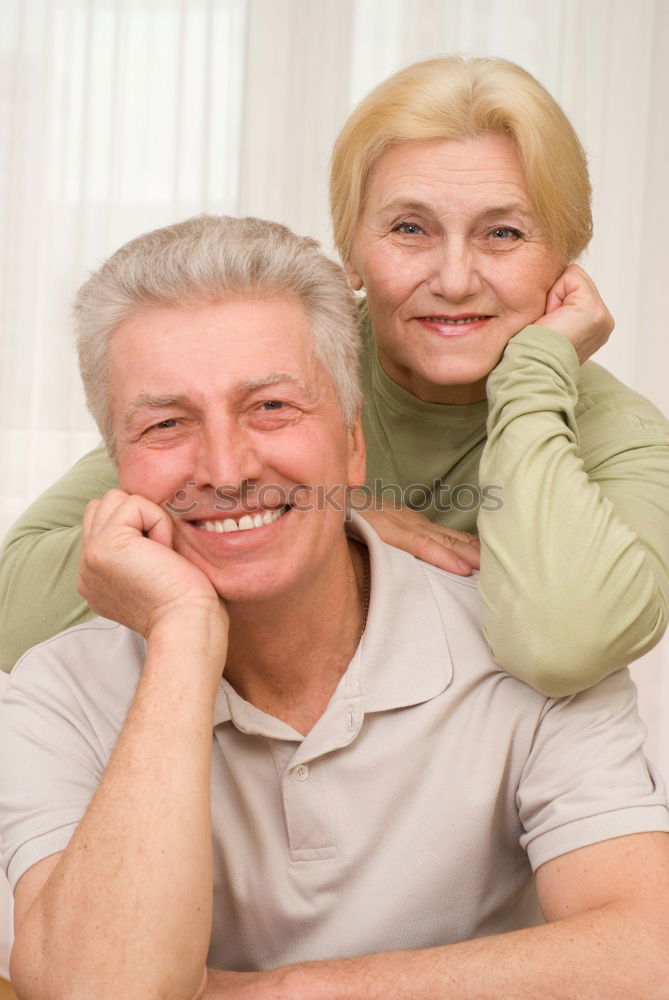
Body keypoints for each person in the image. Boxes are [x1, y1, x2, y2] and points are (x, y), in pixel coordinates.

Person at [1, 215, 668, 1000]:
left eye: (273, 407)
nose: (225, 468)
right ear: (116, 468)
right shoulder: (54, 690)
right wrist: (184, 637)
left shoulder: (524, 660)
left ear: (353, 448)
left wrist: (291, 991)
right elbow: (101, 991)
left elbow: (646, 954)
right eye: (166, 424)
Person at [1, 56, 668, 693]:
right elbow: (13, 614)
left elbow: (561, 649)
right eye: (410, 228)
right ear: (349, 251)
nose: (455, 279)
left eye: (503, 235)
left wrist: (533, 374)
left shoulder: (620, 434)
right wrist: (318, 506)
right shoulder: (284, 359)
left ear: (566, 254)